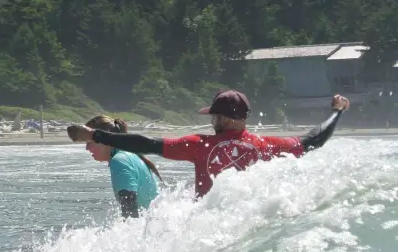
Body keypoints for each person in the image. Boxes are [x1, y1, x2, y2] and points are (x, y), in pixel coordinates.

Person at [67, 90, 350, 199]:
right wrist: (337, 111)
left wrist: (97, 136)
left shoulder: (199, 145)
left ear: (220, 117)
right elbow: (314, 140)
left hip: (207, 225)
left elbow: (147, 144)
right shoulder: (268, 145)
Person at [83, 115, 160, 218]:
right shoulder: (130, 155)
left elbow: (131, 216)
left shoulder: (120, 161)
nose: (87, 148)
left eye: (89, 142)